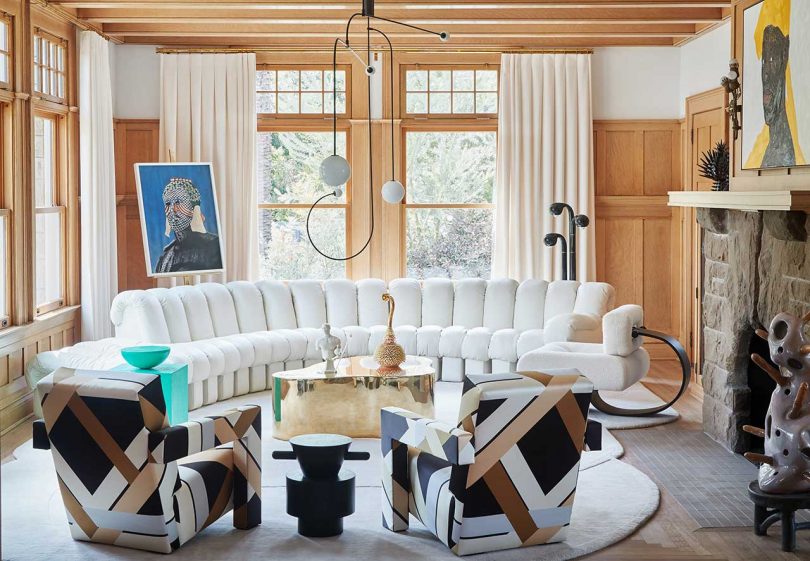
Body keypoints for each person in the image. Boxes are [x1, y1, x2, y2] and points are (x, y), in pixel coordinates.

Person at [155, 177, 223, 273]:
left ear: (193, 208)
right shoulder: (165, 257)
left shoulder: (214, 246)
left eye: (178, 202)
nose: (172, 210)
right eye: (168, 204)